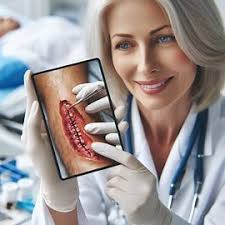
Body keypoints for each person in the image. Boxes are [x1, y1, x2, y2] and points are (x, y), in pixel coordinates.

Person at [22, 0, 225, 224]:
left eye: (165, 38)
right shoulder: (91, 126)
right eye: (125, 45)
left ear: (199, 37)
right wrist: (60, 203)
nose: (145, 65)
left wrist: (161, 220)